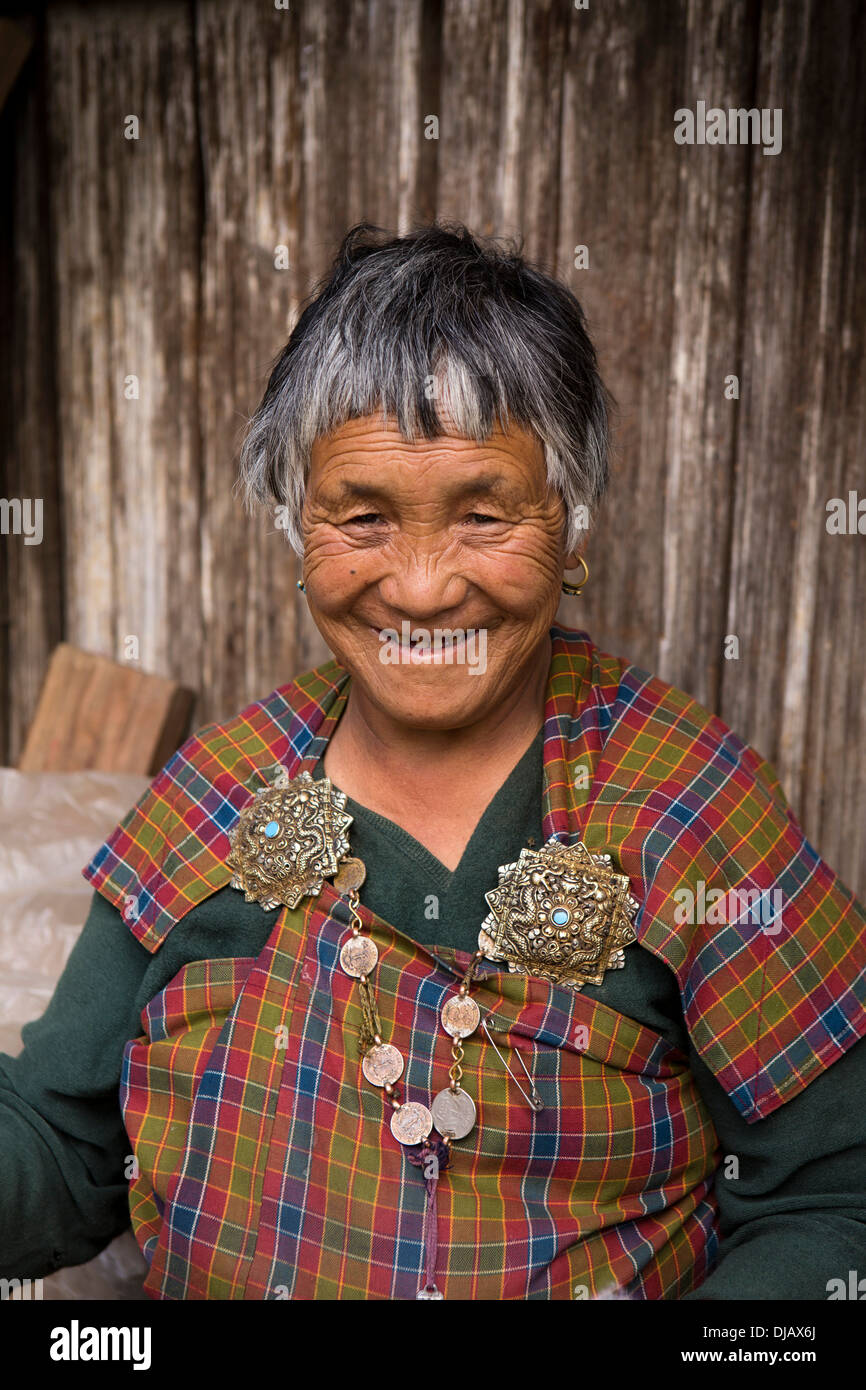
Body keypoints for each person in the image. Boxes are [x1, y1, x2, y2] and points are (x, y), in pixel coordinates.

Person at [2, 223, 864, 1301]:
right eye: (361, 517)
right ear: (292, 529)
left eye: (483, 513)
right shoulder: (220, 797)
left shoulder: (690, 805)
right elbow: (64, 1136)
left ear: (572, 522)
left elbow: (830, 1201)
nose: (418, 588)